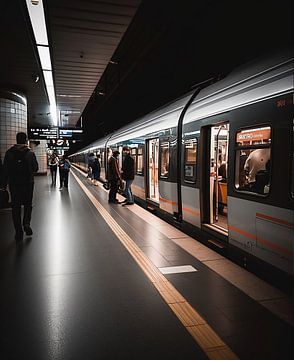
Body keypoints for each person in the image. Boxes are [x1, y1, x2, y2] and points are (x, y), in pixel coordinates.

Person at [2, 132, 39, 241]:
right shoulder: (30, 153)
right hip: (28, 184)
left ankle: (18, 231)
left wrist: (3, 186)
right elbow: (35, 168)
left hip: (14, 185)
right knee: (28, 205)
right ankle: (26, 223)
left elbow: (5, 171)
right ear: (25, 140)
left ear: (17, 140)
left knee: (16, 207)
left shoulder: (9, 153)